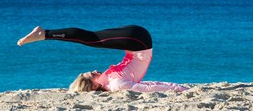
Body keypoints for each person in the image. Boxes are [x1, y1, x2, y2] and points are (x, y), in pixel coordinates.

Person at [17, 25, 188, 92]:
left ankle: (44, 34)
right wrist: (179, 89)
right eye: (90, 75)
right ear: (93, 85)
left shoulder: (109, 80)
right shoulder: (116, 85)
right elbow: (150, 87)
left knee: (93, 38)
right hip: (139, 42)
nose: (92, 71)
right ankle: (44, 34)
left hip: (136, 42)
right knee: (92, 39)